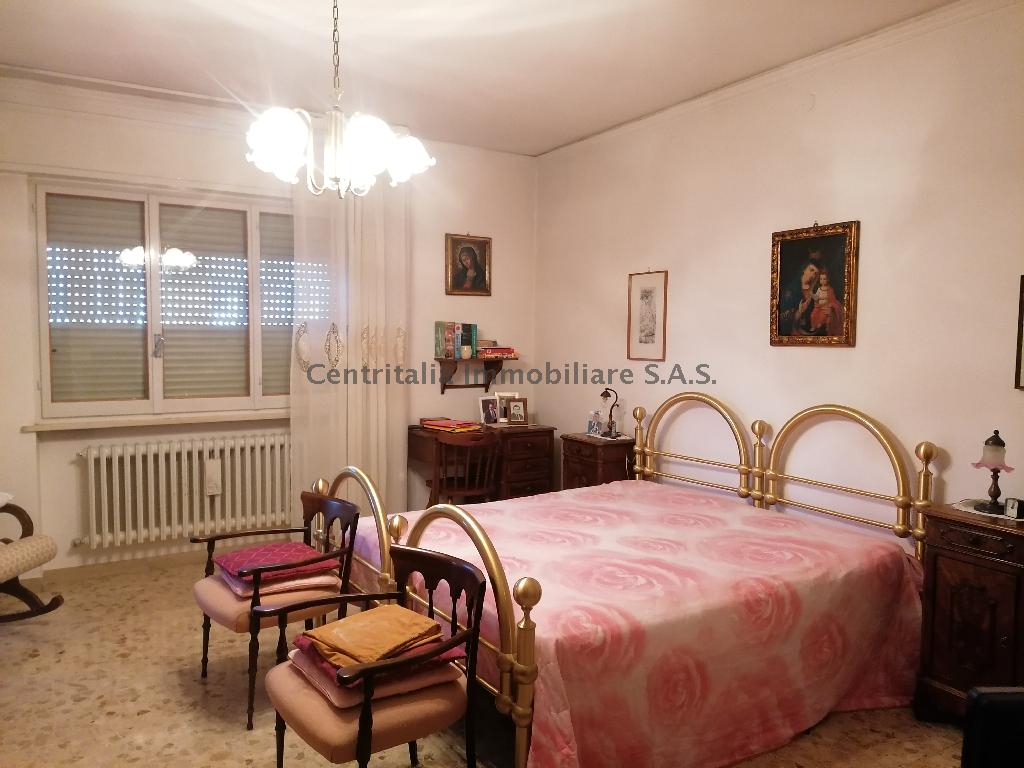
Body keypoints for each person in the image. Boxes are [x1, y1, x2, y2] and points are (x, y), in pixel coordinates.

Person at [810, 269, 844, 335]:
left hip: (826, 306)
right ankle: (813, 326)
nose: (822, 281)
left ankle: (820, 324)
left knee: (824, 315)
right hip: (819, 307)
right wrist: (812, 295)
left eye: (824, 279)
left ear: (827, 280)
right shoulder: (819, 289)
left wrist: (829, 305)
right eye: (821, 279)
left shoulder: (830, 289)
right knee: (813, 315)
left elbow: (832, 300)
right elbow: (816, 297)